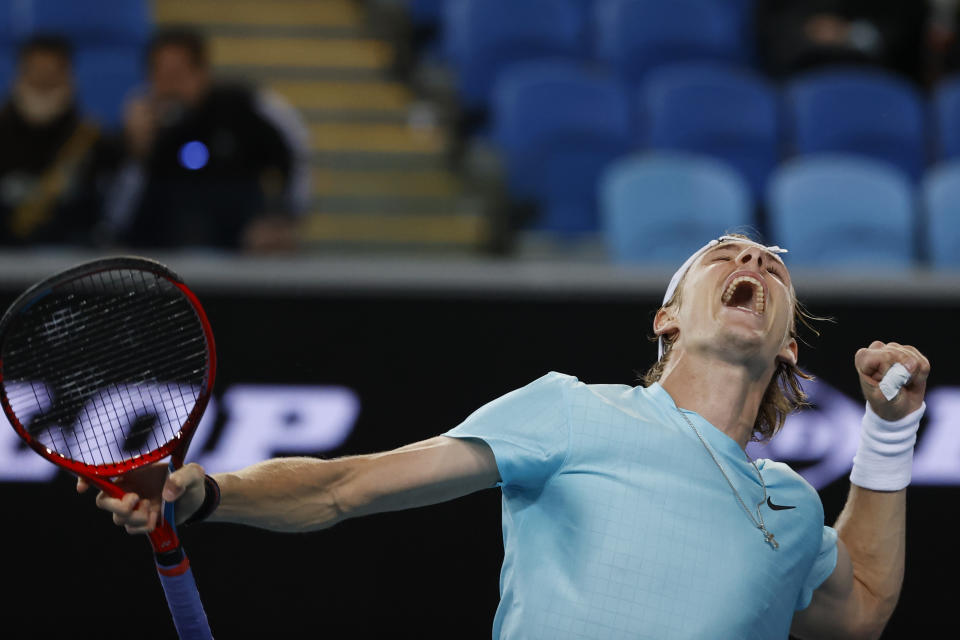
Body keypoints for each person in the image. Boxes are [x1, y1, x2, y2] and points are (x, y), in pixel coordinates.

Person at [84, 234, 929, 638]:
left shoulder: (784, 503)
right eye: (726, 256)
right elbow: (346, 487)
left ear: (787, 342)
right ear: (667, 318)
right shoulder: (572, 411)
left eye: (774, 265)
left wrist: (890, 432)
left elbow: (860, 608)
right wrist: (209, 492)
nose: (754, 264)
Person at [104, 27, 310, 252]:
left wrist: (282, 218)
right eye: (159, 77)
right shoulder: (138, 123)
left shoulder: (243, 108)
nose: (168, 88)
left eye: (177, 76)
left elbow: (294, 154)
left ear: (202, 73)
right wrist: (135, 154)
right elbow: (114, 222)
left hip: (241, 259)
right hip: (161, 262)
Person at [0, 35, 119, 246]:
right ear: (19, 76)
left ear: (68, 77)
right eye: (36, 76)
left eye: (51, 76)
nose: (43, 85)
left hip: (72, 264)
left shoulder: (93, 141)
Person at [755, 0, 929, 84]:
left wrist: (852, 33)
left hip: (878, 74)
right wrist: (810, 32)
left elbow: (906, 24)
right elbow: (773, 23)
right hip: (799, 71)